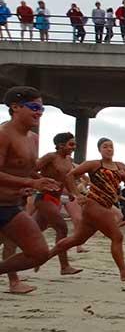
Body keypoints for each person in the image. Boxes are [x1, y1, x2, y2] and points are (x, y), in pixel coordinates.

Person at [45, 138, 125, 281]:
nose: (109, 149)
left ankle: (43, 257)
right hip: (94, 205)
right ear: (99, 150)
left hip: (105, 206)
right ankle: (124, 272)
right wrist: (76, 194)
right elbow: (70, 175)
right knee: (117, 237)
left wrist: (124, 176)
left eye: (111, 147)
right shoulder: (94, 164)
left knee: (77, 239)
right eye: (105, 147)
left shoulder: (121, 166)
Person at [0, 87, 58, 279]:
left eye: (42, 109)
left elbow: (24, 168)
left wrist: (39, 180)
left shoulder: (33, 139)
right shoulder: (3, 134)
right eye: (34, 107)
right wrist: (31, 183)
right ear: (15, 107)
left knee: (39, 253)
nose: (38, 113)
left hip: (10, 207)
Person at [34, 131, 83, 275]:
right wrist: (41, 181)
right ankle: (64, 266)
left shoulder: (68, 160)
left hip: (56, 198)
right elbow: (31, 170)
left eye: (74, 144)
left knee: (36, 229)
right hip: (43, 197)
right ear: (60, 145)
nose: (74, 147)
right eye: (71, 144)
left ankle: (11, 244)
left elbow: (68, 179)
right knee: (62, 228)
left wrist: (75, 194)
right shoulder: (50, 157)